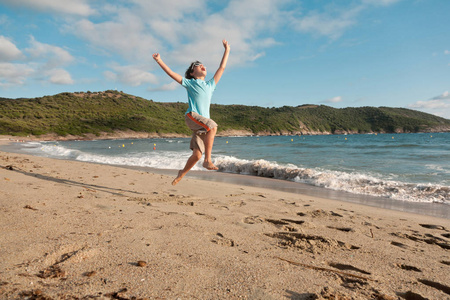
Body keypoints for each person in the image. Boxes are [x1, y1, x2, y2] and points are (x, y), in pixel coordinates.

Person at [152, 39, 230, 185]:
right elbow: (170, 73)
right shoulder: (190, 83)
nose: (202, 66)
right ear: (192, 73)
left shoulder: (210, 85)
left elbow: (222, 68)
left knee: (196, 155)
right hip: (192, 116)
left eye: (203, 65)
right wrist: (159, 60)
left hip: (202, 124)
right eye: (197, 65)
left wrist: (227, 50)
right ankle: (208, 160)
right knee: (213, 126)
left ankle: (182, 173)